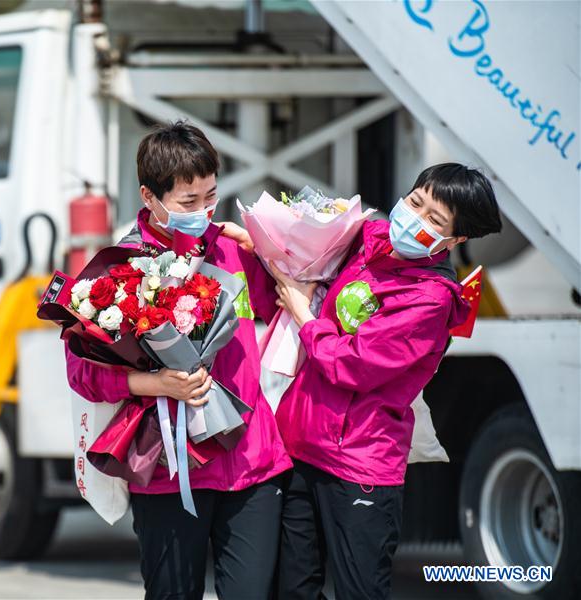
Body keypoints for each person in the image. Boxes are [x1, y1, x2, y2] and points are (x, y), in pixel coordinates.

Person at [65, 121, 292, 600]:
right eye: (188, 203)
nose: (204, 211)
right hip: (170, 472)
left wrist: (275, 253)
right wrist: (158, 385)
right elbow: (82, 371)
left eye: (211, 196)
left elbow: (286, 307)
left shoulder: (234, 248)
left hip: (251, 462)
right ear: (150, 197)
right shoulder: (118, 270)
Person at [267, 163, 503, 599]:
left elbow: (352, 364)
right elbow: (304, 250)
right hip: (302, 447)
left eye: (435, 219)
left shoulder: (430, 300)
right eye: (416, 202)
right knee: (292, 590)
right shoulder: (370, 243)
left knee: (360, 591)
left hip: (358, 466)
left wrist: (305, 315)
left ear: (456, 240)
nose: (415, 219)